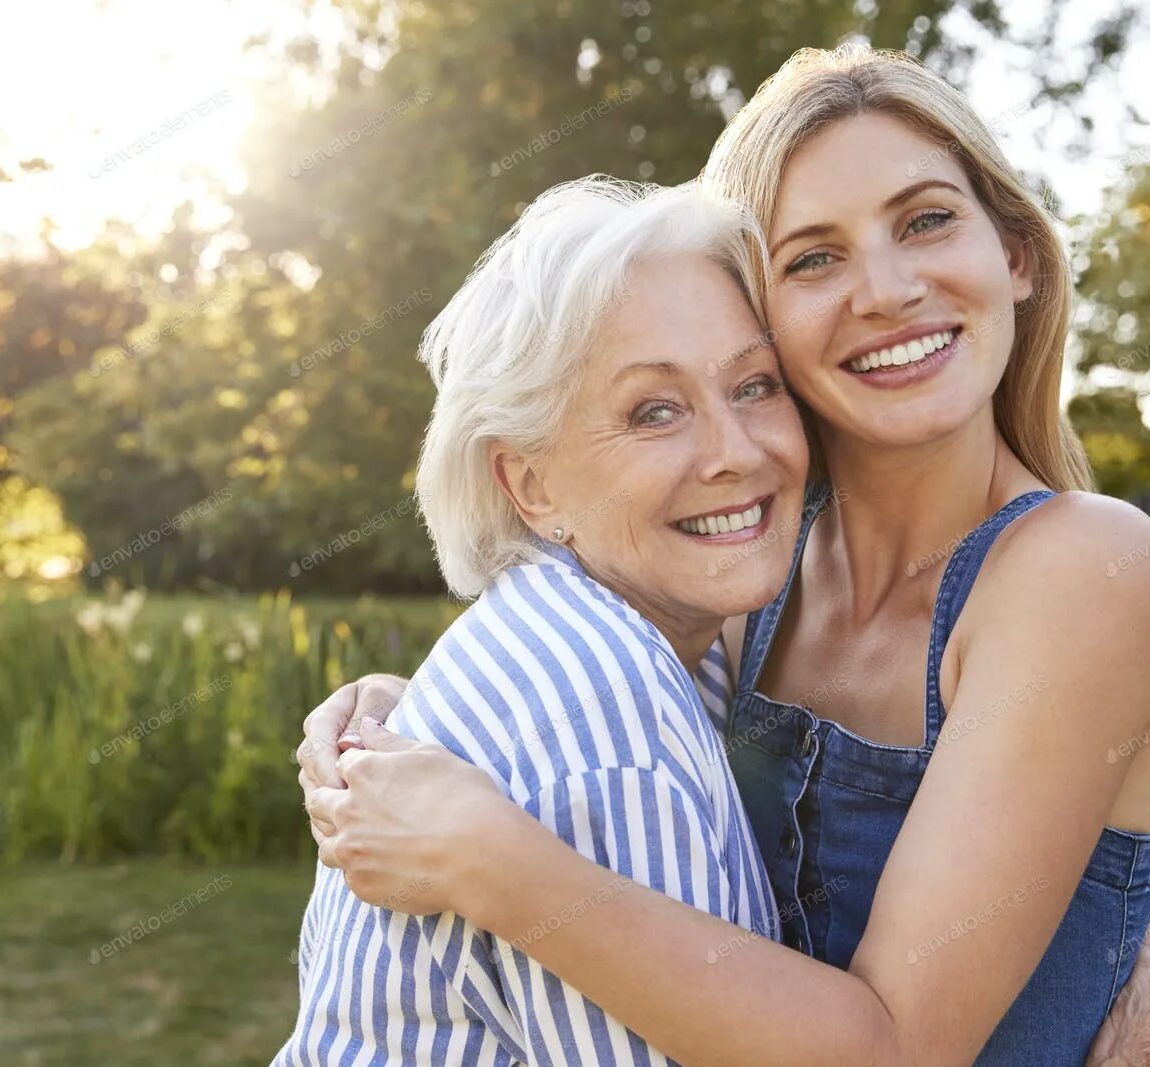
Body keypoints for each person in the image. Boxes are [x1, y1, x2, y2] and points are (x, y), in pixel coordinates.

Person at [300, 46, 1150, 1066]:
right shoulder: (756, 570)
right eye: (813, 256)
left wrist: (495, 862)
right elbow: (593, 679)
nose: (888, 289)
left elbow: (896, 1049)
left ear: (1017, 256)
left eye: (926, 220)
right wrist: (400, 714)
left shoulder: (1084, 570)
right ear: (760, 314)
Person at [275, 178, 812, 1065]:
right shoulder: (607, 713)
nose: (736, 452)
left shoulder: (639, 632)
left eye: (754, 385)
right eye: (654, 410)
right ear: (531, 486)